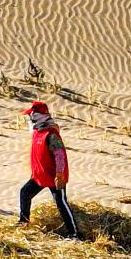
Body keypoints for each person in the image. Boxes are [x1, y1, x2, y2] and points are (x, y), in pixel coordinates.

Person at [17, 101, 80, 238]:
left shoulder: (51, 135)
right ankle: (23, 223)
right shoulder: (37, 131)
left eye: (32, 115)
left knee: (61, 203)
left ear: (39, 116)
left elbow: (60, 155)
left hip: (55, 176)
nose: (30, 118)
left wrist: (59, 174)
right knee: (25, 192)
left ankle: (74, 234)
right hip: (40, 175)